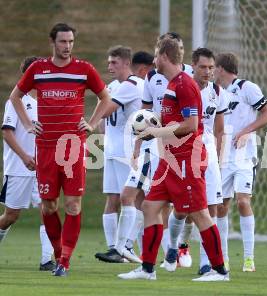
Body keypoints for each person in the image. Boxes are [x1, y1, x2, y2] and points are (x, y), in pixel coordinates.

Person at [118, 37, 228, 282]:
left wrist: (154, 132)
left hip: (188, 158)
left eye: (156, 56)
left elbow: (191, 125)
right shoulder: (170, 84)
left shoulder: (184, 85)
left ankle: (220, 271)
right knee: (150, 206)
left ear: (164, 57)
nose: (154, 60)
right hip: (170, 160)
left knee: (200, 214)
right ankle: (147, 269)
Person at [8, 23, 113, 276]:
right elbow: (15, 97)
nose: (67, 47)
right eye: (63, 42)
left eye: (71, 42)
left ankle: (64, 261)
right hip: (45, 148)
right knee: (48, 206)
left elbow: (106, 98)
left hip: (73, 147)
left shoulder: (84, 69)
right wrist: (27, 123)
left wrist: (92, 123)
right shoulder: (38, 69)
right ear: (52, 42)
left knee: (73, 206)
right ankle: (58, 255)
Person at [165, 47, 229, 275]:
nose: (208, 71)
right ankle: (173, 246)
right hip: (184, 151)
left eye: (211, 67)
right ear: (193, 66)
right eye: (203, 67)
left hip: (208, 151)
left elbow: (219, 130)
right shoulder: (182, 88)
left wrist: (220, 160)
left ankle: (206, 264)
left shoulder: (218, 92)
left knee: (210, 207)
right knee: (182, 211)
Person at [95, 47, 157, 264]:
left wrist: (92, 125)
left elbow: (104, 112)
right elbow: (104, 120)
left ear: (126, 63)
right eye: (109, 62)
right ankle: (115, 249)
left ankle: (125, 246)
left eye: (113, 62)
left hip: (129, 152)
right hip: (115, 151)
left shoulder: (131, 85)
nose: (109, 66)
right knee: (114, 198)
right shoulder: (116, 86)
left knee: (133, 198)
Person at [214, 53, 267, 272]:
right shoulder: (215, 92)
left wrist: (246, 131)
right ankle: (224, 258)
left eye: (214, 68)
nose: (212, 72)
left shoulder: (247, 88)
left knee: (243, 201)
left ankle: (249, 258)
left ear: (221, 69)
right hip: (222, 158)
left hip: (244, 157)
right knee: (221, 206)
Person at [142, 32, 194, 268]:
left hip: (187, 151)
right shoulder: (153, 77)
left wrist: (159, 132)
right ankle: (161, 259)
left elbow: (192, 122)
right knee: (154, 204)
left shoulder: (188, 79)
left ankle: (186, 250)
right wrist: (144, 129)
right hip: (162, 150)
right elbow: (147, 113)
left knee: (193, 209)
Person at [0, 56, 55, 271]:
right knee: (11, 216)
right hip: (19, 168)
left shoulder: (47, 101)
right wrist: (24, 157)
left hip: (43, 168)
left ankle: (46, 260)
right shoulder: (17, 101)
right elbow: (7, 132)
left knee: (49, 209)